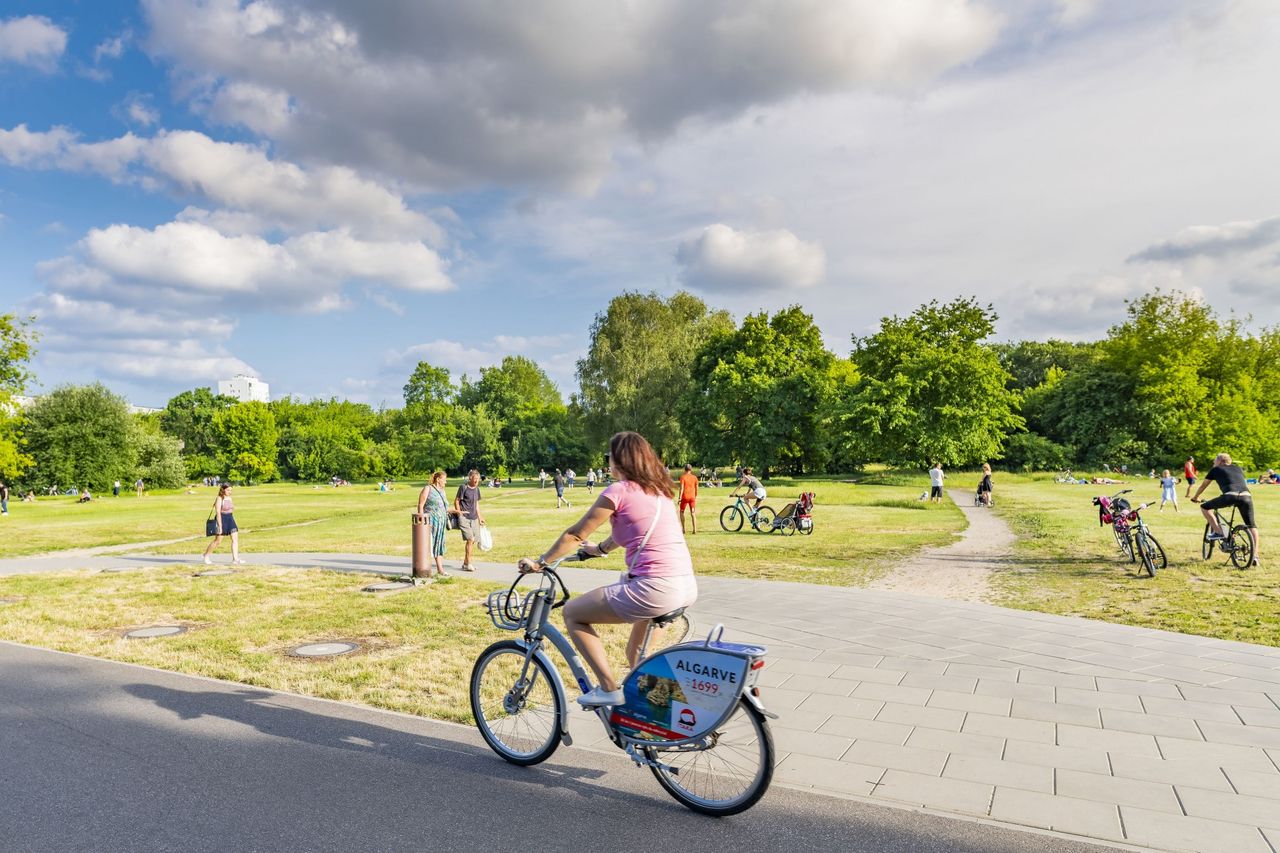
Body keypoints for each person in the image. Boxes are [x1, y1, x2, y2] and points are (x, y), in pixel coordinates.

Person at [518, 431, 697, 706]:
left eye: (610, 456)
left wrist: (540, 563)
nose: (607, 461)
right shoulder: (659, 492)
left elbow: (575, 534)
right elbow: (631, 529)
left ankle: (608, 688)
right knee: (638, 655)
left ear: (621, 460)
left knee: (573, 613)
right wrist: (599, 550)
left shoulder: (618, 491)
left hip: (655, 588)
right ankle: (677, 715)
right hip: (684, 584)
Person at [1192, 452, 1259, 567]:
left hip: (1230, 495)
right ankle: (1255, 555)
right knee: (1251, 526)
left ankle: (1218, 532)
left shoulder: (1216, 469)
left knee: (1204, 507)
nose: (1213, 463)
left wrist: (1195, 497)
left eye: (1214, 461)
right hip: (1246, 496)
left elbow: (1203, 485)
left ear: (1220, 461)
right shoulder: (1238, 468)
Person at [417, 471, 455, 579]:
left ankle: (440, 570)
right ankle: (424, 570)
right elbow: (420, 505)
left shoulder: (443, 491)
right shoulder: (428, 489)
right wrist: (421, 521)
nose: (446, 482)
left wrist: (456, 511)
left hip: (440, 524)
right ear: (438, 479)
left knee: (439, 545)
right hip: (430, 523)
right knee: (427, 546)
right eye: (445, 479)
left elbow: (445, 508)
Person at [203, 483, 245, 565]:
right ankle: (206, 555)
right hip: (221, 519)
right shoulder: (219, 499)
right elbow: (218, 513)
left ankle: (235, 559)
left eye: (231, 490)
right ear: (223, 490)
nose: (230, 492)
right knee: (217, 541)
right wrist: (220, 526)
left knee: (235, 539)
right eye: (228, 490)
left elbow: (232, 508)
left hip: (230, 518)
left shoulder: (229, 498)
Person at [453, 469, 485, 572]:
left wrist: (480, 517)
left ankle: (465, 563)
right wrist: (459, 512)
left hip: (474, 518)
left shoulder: (477, 489)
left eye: (478, 479)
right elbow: (457, 500)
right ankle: (469, 563)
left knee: (474, 540)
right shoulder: (463, 487)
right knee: (470, 539)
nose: (476, 481)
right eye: (475, 478)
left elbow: (476, 504)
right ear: (470, 478)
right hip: (464, 518)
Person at [678, 463, 699, 534]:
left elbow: (682, 488)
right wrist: (695, 496)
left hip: (685, 497)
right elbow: (696, 488)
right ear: (691, 469)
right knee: (693, 513)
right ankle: (694, 529)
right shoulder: (695, 478)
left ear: (685, 469)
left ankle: (683, 529)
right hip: (692, 497)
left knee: (681, 512)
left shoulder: (682, 477)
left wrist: (679, 497)